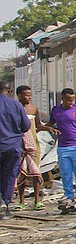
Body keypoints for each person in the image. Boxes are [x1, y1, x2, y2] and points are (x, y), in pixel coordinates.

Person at [48, 88, 76, 203]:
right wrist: (40, 128)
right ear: (62, 98)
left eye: (72, 100)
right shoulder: (56, 110)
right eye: (68, 100)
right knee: (65, 172)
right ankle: (69, 194)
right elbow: (50, 124)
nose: (71, 102)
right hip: (63, 146)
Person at [15, 86, 53, 210]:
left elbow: (38, 125)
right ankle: (21, 202)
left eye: (30, 95)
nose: (29, 97)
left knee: (36, 173)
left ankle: (37, 201)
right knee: (22, 174)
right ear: (19, 95)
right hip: (20, 145)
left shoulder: (33, 108)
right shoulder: (15, 108)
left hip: (34, 145)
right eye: (26, 95)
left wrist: (48, 128)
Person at [0, 82, 30, 219]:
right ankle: (5, 205)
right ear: (9, 91)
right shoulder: (16, 105)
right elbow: (26, 126)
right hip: (13, 147)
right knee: (9, 176)